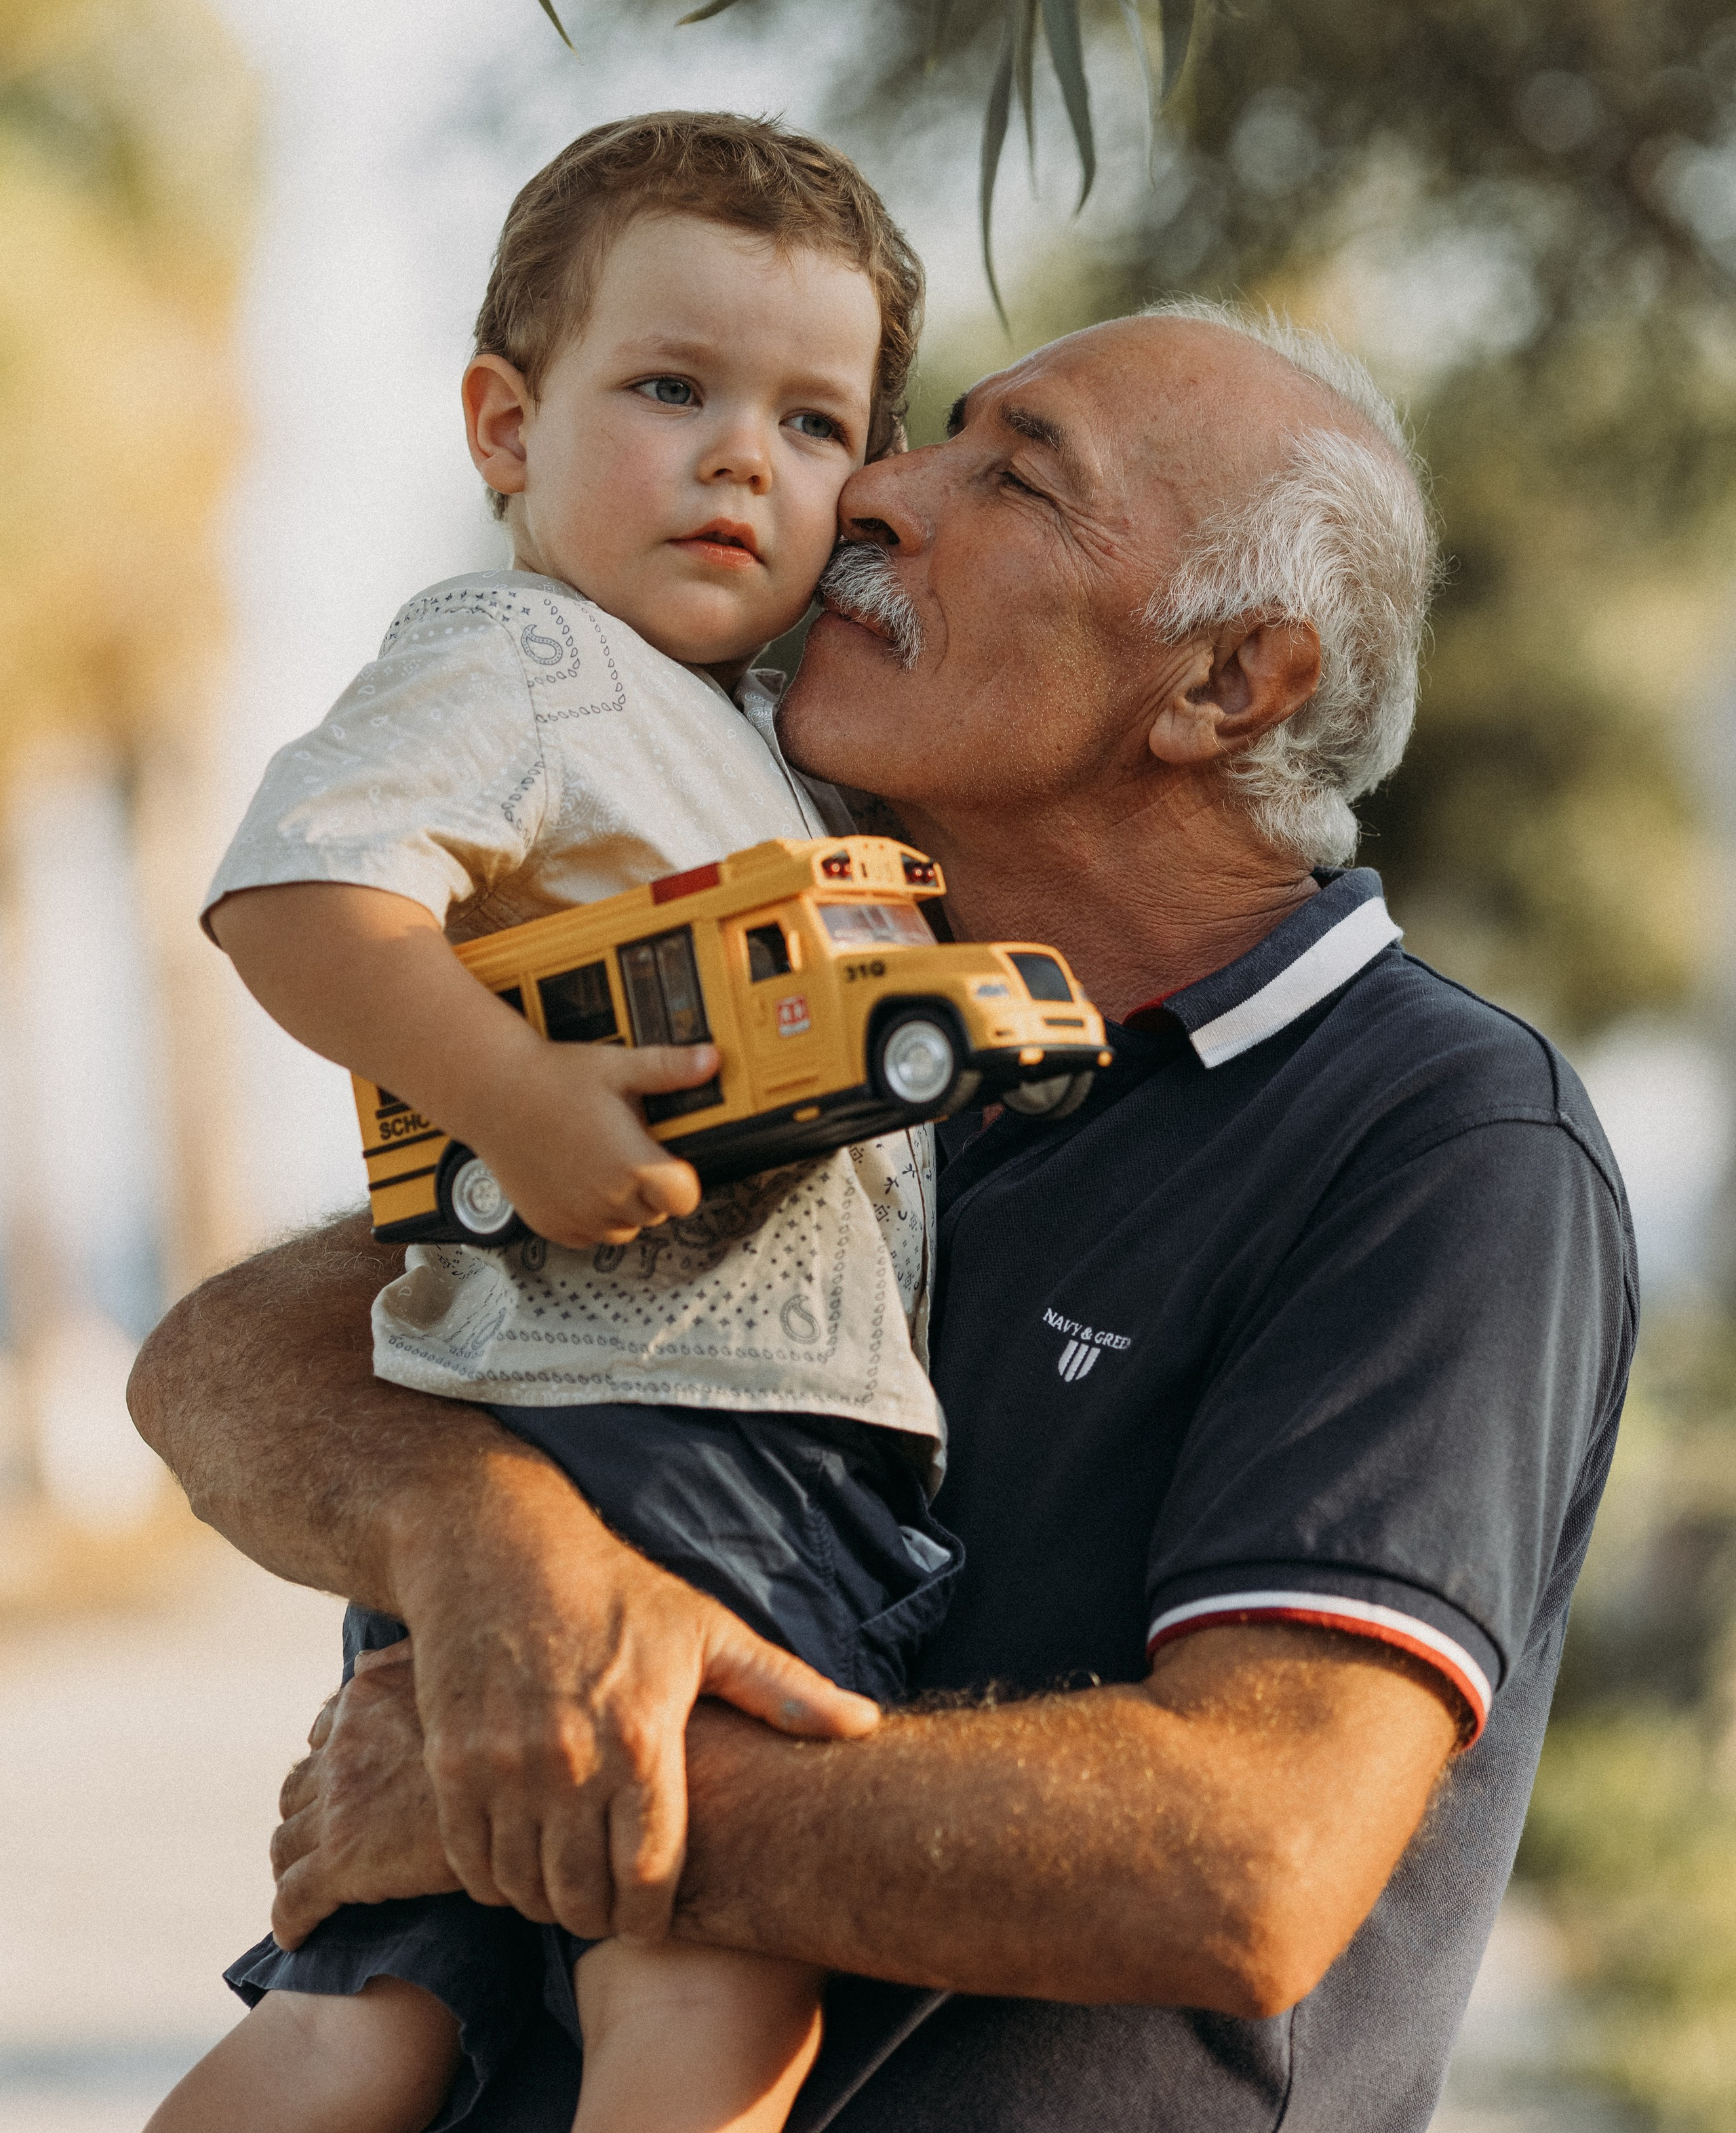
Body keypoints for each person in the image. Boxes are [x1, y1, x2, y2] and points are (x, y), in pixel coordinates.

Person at [131, 296, 1637, 2133]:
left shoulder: (1438, 1141)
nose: (872, 494)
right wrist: (487, 1544)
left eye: (1013, 475)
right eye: (926, 435)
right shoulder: (783, 981)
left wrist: (520, 1792)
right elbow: (232, 1353)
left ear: (1228, 685)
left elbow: (1241, 1861)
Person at [149, 113, 972, 2133]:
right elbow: (298, 889)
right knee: (709, 1971)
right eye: (670, 390)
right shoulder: (517, 655)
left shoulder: (762, 747)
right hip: (676, 1424)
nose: (739, 461)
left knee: (375, 2010)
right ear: (504, 425)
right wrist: (514, 1105)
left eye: (809, 423)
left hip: (569, 1415)